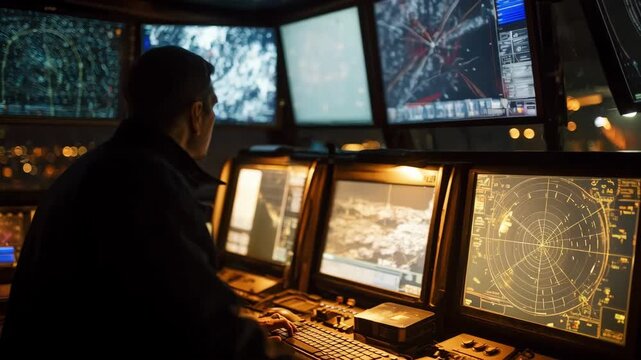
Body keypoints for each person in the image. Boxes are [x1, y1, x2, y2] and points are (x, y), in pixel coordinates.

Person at [0, 46, 295, 358]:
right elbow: (203, 329)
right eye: (212, 108)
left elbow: (150, 309)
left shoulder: (98, 168)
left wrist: (239, 325)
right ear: (196, 115)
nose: (212, 120)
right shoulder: (147, 184)